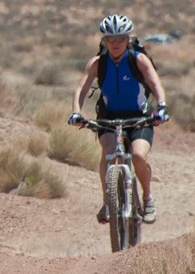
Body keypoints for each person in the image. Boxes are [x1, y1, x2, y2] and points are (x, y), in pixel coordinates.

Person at [68, 14, 169, 224]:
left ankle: (147, 197)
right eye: (110, 39)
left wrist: (161, 107)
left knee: (139, 156)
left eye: (120, 38)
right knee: (109, 152)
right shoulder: (98, 63)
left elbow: (155, 84)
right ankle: (108, 201)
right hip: (109, 116)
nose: (115, 43)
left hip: (140, 116)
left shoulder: (138, 59)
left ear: (128, 39)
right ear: (104, 40)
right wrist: (76, 112)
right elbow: (81, 89)